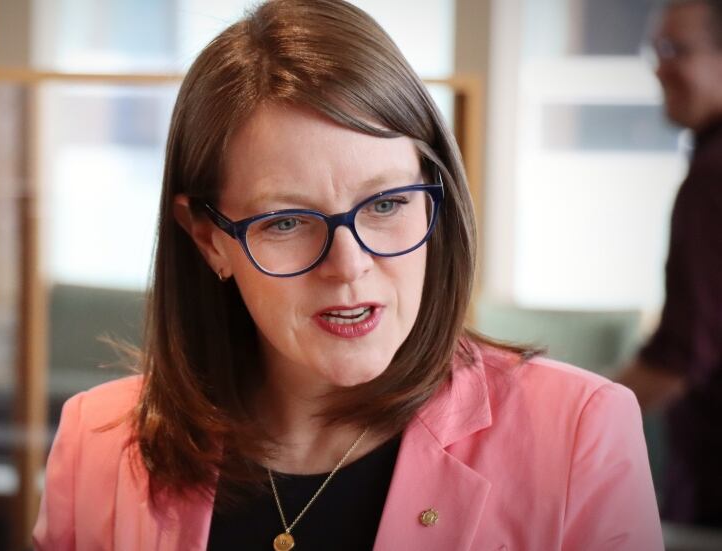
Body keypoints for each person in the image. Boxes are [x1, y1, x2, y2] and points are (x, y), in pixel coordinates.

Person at [33, 1, 663, 549]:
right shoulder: (100, 441)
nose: (350, 266)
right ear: (208, 239)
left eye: (386, 205)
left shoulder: (578, 431)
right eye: (285, 222)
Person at [618, 0, 722, 528]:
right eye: (655, 49)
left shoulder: (712, 179)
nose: (658, 66)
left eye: (674, 49)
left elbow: (679, 356)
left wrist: (563, 419)